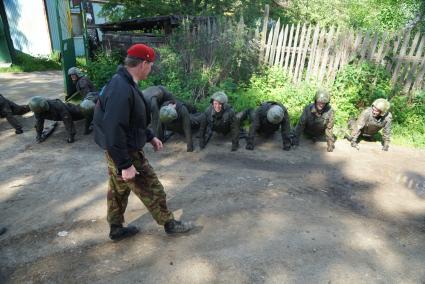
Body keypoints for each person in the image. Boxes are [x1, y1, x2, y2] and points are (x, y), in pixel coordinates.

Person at [93, 43, 193, 241]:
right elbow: (114, 129)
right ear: (143, 63)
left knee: (118, 189)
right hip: (124, 151)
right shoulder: (121, 89)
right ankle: (170, 224)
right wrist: (125, 164)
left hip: (118, 148)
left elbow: (132, 120)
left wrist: (149, 136)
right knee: (152, 187)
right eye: (151, 64)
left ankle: (116, 228)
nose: (151, 68)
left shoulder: (125, 82)